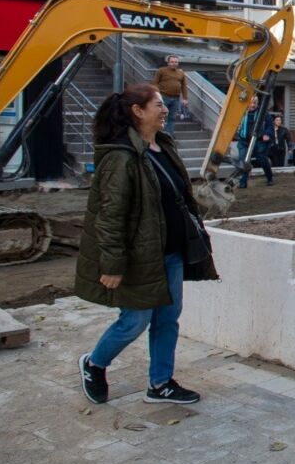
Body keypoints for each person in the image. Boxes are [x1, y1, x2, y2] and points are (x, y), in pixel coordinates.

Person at [76, 84, 217, 406]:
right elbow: (110, 216)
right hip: (140, 257)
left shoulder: (163, 146)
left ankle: (160, 383)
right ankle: (94, 364)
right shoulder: (120, 157)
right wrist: (112, 264)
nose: (165, 109)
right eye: (158, 104)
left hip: (171, 253)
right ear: (138, 111)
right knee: (134, 321)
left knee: (168, 319)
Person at [235, 97, 275, 188]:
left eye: (255, 103)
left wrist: (267, 134)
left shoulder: (263, 113)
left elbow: (270, 126)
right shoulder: (241, 112)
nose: (253, 105)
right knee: (243, 161)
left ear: (258, 103)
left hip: (258, 141)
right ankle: (243, 183)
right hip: (244, 141)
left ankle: (270, 178)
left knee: (262, 159)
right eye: (251, 102)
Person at [152, 55, 188, 136]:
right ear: (168, 62)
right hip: (163, 97)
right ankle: (159, 134)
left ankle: (169, 135)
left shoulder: (181, 73)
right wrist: (157, 95)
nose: (174, 63)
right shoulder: (161, 71)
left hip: (176, 99)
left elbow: (184, 86)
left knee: (172, 118)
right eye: (172, 62)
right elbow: (155, 82)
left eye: (176, 62)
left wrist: (185, 98)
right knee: (161, 116)